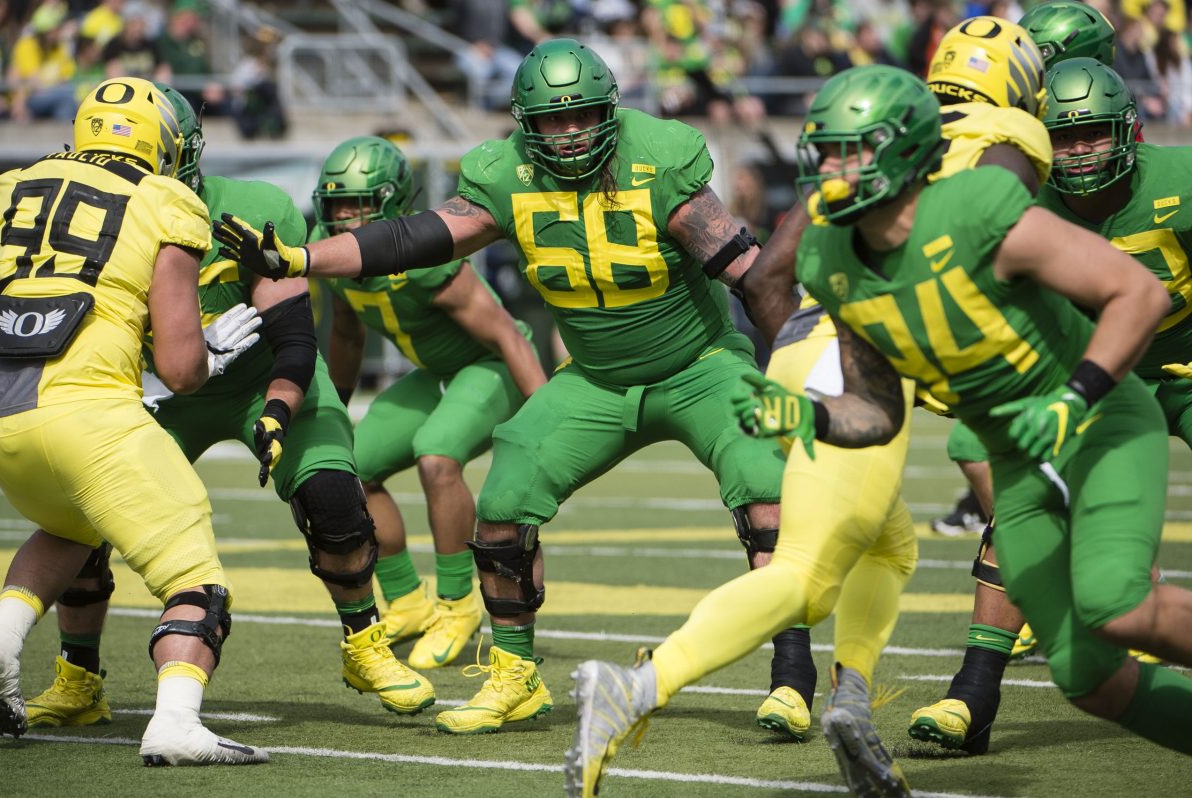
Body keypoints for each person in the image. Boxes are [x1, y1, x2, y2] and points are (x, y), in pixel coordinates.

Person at [213, 37, 786, 736]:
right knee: (505, 502)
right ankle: (516, 675)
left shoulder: (658, 159)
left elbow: (754, 277)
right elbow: (410, 238)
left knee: (768, 497)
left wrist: (802, 364)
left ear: (609, 112)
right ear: (526, 125)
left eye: (581, 118)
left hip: (700, 365)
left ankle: (791, 678)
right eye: (552, 121)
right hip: (598, 381)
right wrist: (302, 256)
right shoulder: (508, 174)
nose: (569, 134)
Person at [23, 86, 435, 731]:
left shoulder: (251, 208)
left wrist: (277, 408)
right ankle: (78, 677)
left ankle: (367, 644)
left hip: (259, 378)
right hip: (164, 389)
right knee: (86, 515)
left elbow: (296, 336)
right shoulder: (98, 219)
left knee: (333, 500)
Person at [692, 15, 1054, 748]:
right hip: (878, 357)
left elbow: (763, 279)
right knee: (810, 565)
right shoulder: (1010, 143)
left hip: (810, 344)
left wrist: (802, 344)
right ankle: (644, 683)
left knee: (880, 547)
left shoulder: (881, 126)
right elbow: (988, 248)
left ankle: (824, 692)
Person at [913, 56, 1192, 754]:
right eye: (1061, 138)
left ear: (1127, 130)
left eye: (1091, 135)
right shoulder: (1022, 201)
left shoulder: (1179, 182)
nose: (1077, 152)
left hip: (1180, 368)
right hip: (1086, 380)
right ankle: (981, 683)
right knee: (975, 447)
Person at [0, 76, 265, 765]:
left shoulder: (10, 187)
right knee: (194, 579)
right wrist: (213, 355)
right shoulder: (167, 198)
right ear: (166, 144)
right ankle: (176, 720)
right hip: (87, 412)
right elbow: (178, 369)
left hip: (1, 415)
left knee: (69, 524)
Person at [313, 135, 547, 670]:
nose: (346, 217)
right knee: (351, 466)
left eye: (360, 204)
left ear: (392, 205)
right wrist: (336, 410)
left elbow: (507, 336)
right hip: (439, 371)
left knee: (437, 458)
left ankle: (457, 603)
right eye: (336, 204)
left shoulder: (425, 259)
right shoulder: (333, 254)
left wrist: (544, 419)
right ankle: (408, 601)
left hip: (490, 366)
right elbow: (347, 335)